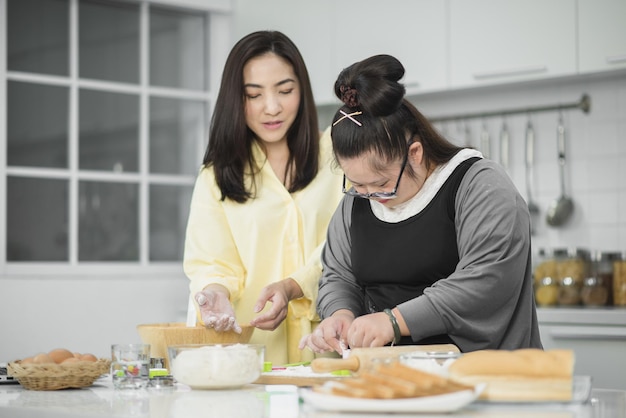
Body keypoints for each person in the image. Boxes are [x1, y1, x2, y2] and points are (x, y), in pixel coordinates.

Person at [299, 54, 542, 356]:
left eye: (381, 184)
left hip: (485, 375)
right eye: (357, 185)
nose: (369, 196)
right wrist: (340, 314)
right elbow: (338, 275)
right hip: (391, 378)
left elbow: (485, 280)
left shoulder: (479, 186)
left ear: (414, 153)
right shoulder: (355, 203)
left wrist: (395, 320)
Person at [183, 31, 343, 364]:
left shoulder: (337, 155)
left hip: (329, 344)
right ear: (234, 100)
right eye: (253, 95)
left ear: (302, 89)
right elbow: (212, 263)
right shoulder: (218, 174)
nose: (272, 107)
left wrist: (295, 285)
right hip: (252, 353)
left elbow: (346, 245)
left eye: (285, 91)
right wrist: (214, 293)